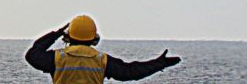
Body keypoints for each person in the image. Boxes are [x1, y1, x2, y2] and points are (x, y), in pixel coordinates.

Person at [25, 15, 181, 83]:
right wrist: (159, 63)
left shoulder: (57, 58)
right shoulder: (101, 60)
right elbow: (131, 72)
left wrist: (56, 33)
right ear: (94, 38)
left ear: (68, 36)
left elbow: (32, 55)